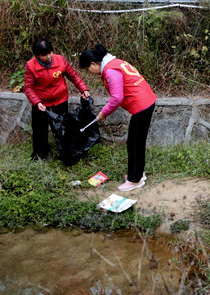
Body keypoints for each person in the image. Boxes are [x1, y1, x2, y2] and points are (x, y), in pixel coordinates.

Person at [80, 43, 157, 192]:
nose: (90, 72)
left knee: (135, 144)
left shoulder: (110, 70)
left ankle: (135, 180)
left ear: (93, 64)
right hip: (145, 102)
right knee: (135, 142)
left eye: (88, 69)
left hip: (142, 105)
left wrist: (103, 113)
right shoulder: (115, 62)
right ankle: (138, 174)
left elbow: (116, 98)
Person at [23, 38, 90, 161]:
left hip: (60, 100)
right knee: (39, 130)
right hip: (41, 103)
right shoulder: (31, 66)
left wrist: (83, 89)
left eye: (50, 52)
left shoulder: (60, 60)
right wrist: (37, 102)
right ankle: (40, 155)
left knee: (63, 129)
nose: (48, 57)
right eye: (44, 55)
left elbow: (73, 76)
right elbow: (28, 87)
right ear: (37, 55)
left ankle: (65, 153)